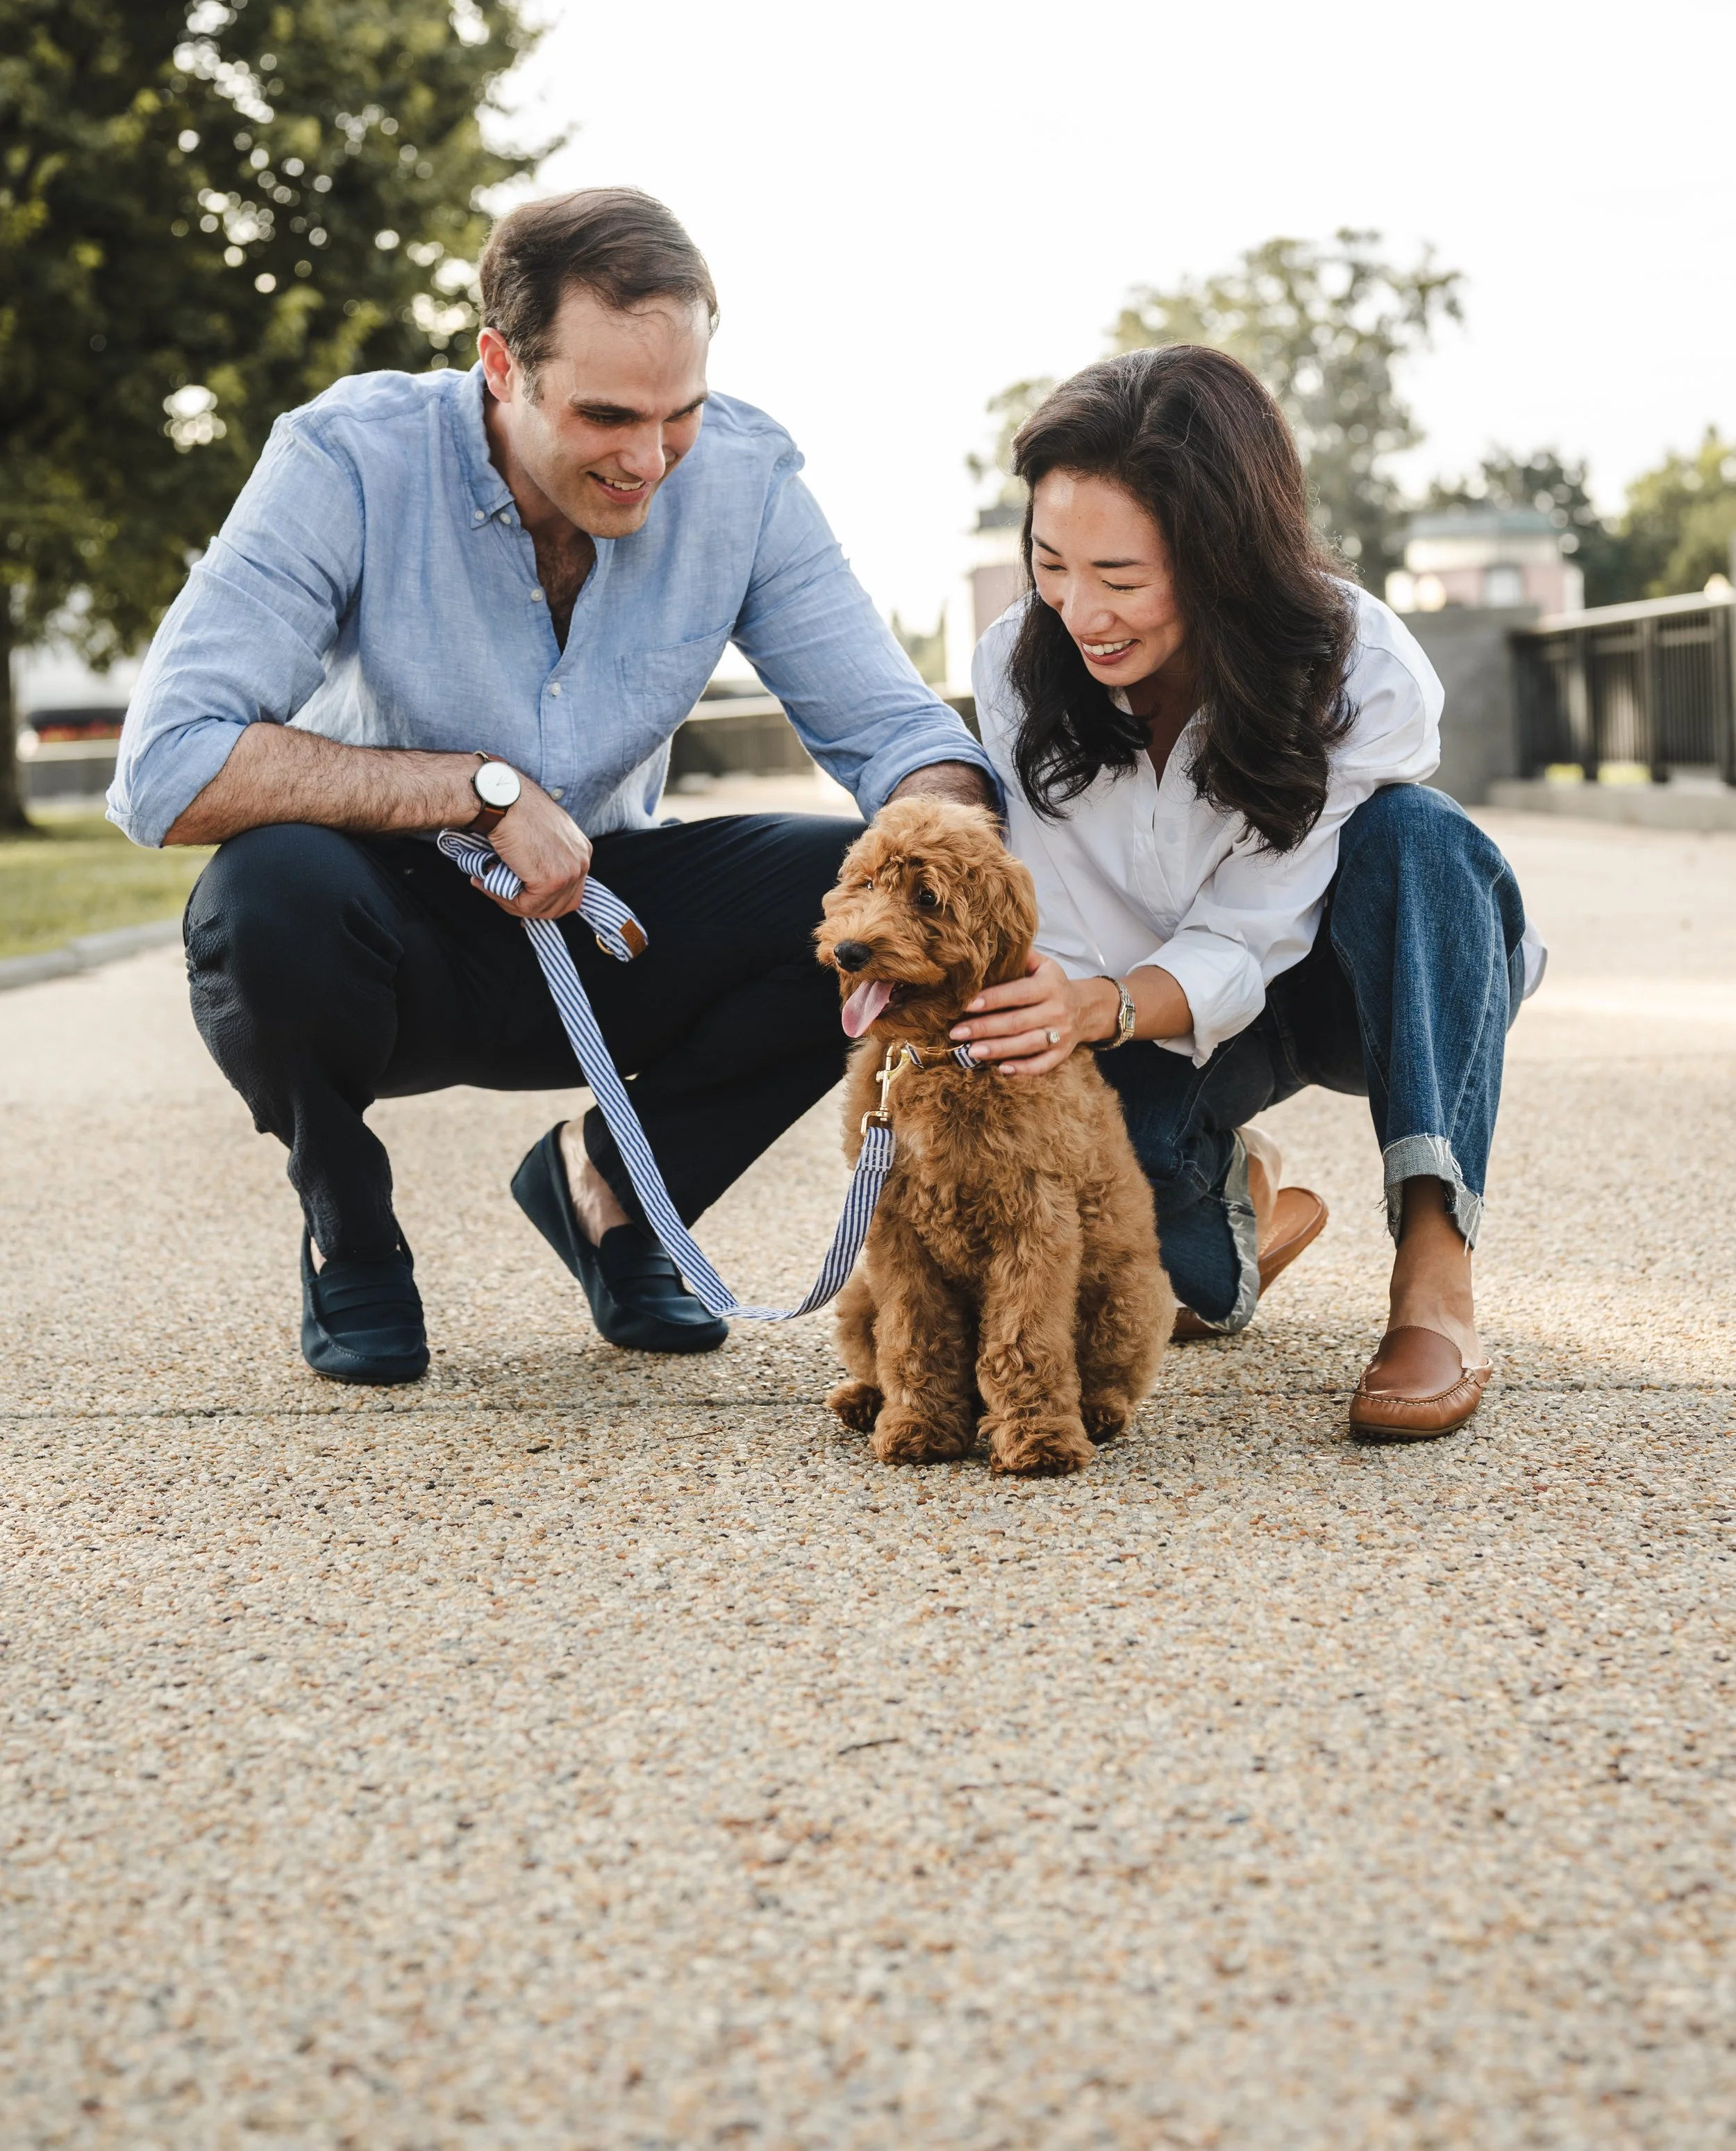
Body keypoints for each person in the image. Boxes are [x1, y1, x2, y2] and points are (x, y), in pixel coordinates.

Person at [108, 188, 995, 1383]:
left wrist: (963, 876)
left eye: (677, 413)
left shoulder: (741, 479)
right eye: (607, 416)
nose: (647, 460)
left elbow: (899, 735)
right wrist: (477, 791)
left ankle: (613, 1194)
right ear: (499, 365)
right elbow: (166, 767)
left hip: (599, 923)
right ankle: (348, 1230)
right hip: (375, 933)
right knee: (265, 895)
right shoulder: (346, 458)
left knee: (843, 910)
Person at [949, 344, 1542, 1442]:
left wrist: (1107, 1005)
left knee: (1418, 837)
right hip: (1154, 1011)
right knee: (1162, 1292)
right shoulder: (1014, 670)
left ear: (1223, 557)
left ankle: (1434, 1274)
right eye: (1051, 565)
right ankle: (1235, 1192)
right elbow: (1068, 936)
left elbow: (1258, 924)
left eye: (1121, 578)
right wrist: (1057, 1013)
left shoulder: (1359, 669)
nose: (1080, 612)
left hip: (1357, 987)